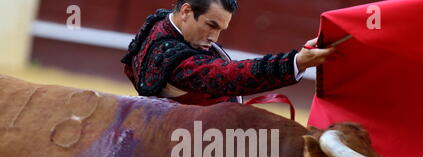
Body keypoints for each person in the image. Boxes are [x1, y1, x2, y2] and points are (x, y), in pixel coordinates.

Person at [121, 0, 336, 106]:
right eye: (210, 25)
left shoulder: (162, 23)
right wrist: (295, 62)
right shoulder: (169, 57)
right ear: (186, 11)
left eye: (220, 29)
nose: (214, 38)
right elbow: (226, 75)